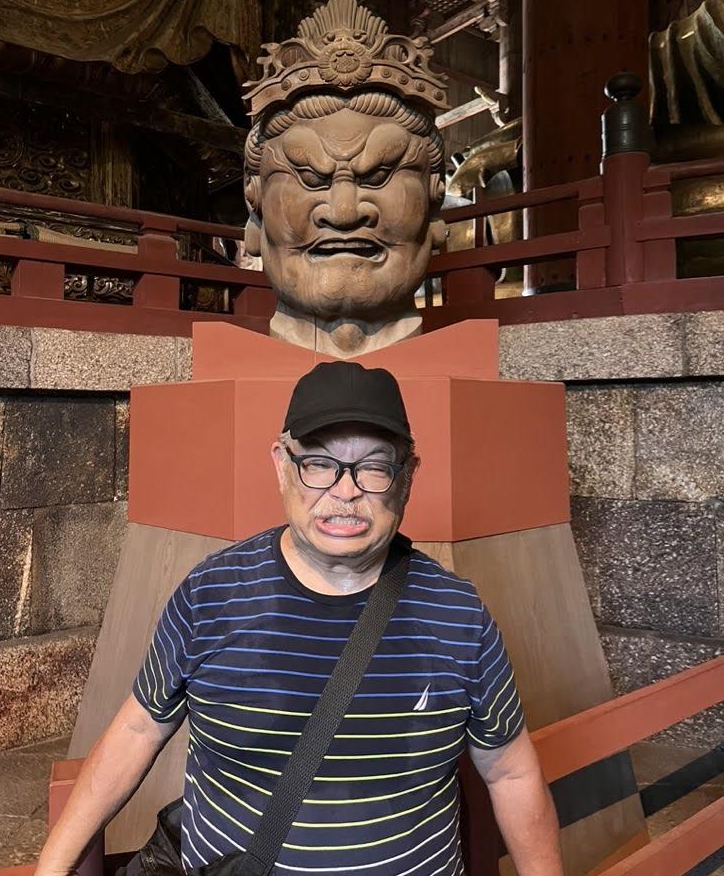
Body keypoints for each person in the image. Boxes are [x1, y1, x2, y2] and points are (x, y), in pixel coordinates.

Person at [35, 361, 564, 876]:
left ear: (407, 477)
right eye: (318, 463)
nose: (346, 490)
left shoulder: (457, 615)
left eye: (375, 466)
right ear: (281, 464)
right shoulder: (211, 594)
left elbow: (511, 771)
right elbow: (137, 728)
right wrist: (53, 866)